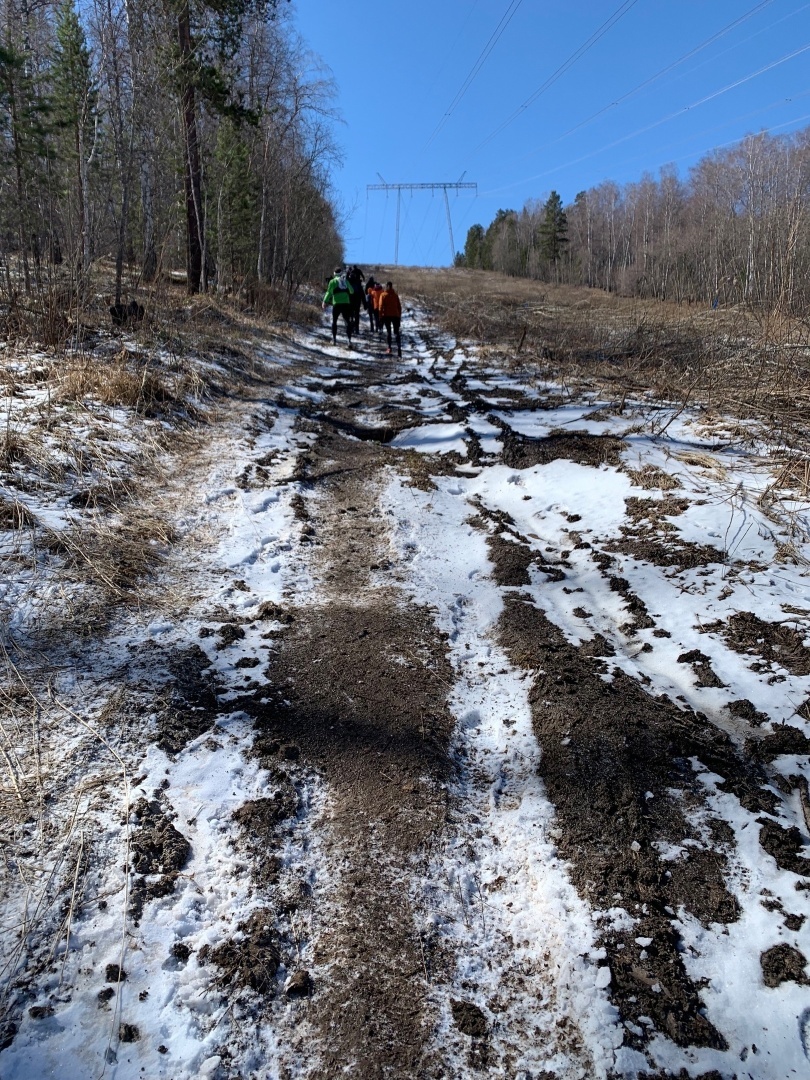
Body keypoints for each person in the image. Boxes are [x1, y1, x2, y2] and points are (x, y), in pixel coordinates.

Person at [322, 266, 354, 347]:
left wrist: (325, 301)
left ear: (334, 273)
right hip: (346, 303)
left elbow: (329, 292)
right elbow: (352, 291)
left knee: (334, 321)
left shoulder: (332, 281)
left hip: (336, 303)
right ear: (341, 273)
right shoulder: (345, 280)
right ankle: (349, 341)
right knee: (347, 322)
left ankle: (334, 339)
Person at [379, 280, 402, 357]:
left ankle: (389, 347)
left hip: (387, 315)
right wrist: (399, 315)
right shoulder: (395, 295)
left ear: (386, 286)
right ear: (392, 286)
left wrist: (380, 316)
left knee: (389, 332)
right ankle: (399, 347)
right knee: (396, 332)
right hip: (395, 315)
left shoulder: (383, 295)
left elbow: (381, 306)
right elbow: (399, 306)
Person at [347, 266, 365, 334]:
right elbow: (362, 295)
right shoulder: (358, 285)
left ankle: (350, 327)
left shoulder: (348, 284)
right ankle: (357, 329)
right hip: (357, 303)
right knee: (357, 315)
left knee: (349, 315)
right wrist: (365, 304)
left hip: (349, 302)